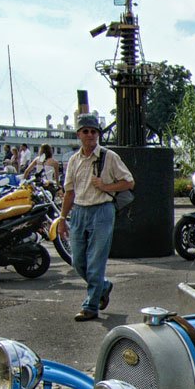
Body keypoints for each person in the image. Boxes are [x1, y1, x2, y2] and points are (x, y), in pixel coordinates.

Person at [59, 114, 134, 321]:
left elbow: (129, 182)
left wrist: (106, 186)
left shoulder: (109, 157)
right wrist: (62, 218)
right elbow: (69, 192)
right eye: (86, 131)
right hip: (79, 212)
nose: (90, 135)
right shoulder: (74, 160)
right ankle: (104, 286)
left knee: (95, 261)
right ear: (79, 135)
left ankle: (90, 306)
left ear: (98, 135)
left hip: (102, 210)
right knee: (78, 262)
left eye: (94, 131)